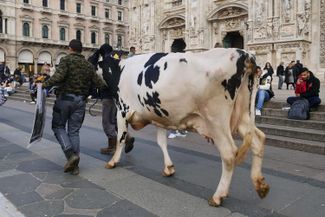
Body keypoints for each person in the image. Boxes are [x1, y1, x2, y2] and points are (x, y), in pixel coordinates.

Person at [42, 39, 103, 175]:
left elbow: (58, 77)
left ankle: (70, 155)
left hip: (65, 100)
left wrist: (43, 84)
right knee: (74, 131)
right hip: (80, 101)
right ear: (81, 50)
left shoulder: (66, 60)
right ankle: (75, 167)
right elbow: (100, 83)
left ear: (70, 49)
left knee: (58, 127)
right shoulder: (88, 66)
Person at [88, 44, 135, 155]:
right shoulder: (117, 62)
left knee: (107, 122)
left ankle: (112, 146)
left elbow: (96, 77)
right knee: (115, 120)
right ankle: (127, 137)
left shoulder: (102, 65)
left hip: (107, 97)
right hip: (118, 96)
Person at [168, 38, 188, 138]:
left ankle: (175, 130)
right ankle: (180, 130)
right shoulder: (184, 58)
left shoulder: (174, 59)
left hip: (175, 88)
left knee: (173, 110)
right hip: (181, 88)